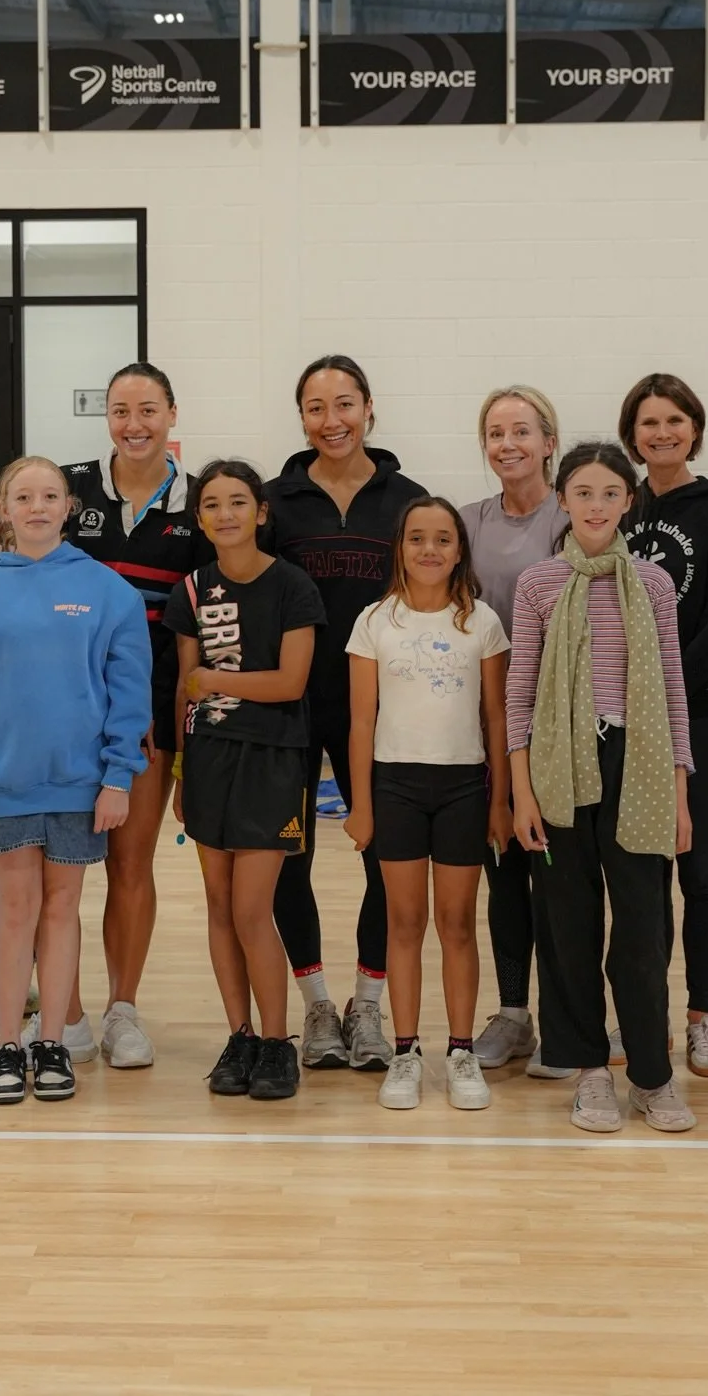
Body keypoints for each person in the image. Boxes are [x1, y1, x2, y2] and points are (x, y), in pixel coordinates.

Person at [0, 457, 153, 1106]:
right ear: (4, 509)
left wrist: (118, 778)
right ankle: (7, 1044)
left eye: (48, 495)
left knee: (62, 911)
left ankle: (54, 1041)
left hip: (78, 787)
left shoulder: (108, 590)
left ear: (67, 507)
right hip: (1, 785)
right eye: (22, 496)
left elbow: (128, 695)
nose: (35, 506)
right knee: (16, 912)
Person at [508, 442, 696, 1136]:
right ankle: (588, 1070)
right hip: (560, 766)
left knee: (642, 930)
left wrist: (679, 795)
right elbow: (519, 694)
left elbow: (672, 690)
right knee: (567, 926)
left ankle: (650, 1075)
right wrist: (523, 795)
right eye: (582, 492)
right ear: (562, 499)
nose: (595, 505)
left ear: (628, 501)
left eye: (609, 493)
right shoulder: (537, 585)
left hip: (637, 766)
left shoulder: (650, 584)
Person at [265, 356, 426, 1074]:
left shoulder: (408, 500)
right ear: (300, 417)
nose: (330, 420)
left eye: (344, 404)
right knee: (286, 862)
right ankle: (317, 1007)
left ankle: (368, 1004)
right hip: (291, 716)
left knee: (383, 861)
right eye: (314, 407)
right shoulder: (276, 503)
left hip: (381, 714)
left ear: (368, 408)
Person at [61, 363, 213, 1068]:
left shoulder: (200, 503)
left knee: (130, 863)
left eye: (147, 409)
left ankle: (122, 1008)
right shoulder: (68, 491)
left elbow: (207, 625)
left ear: (172, 414)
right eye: (120, 410)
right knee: (56, 870)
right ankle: (61, 1011)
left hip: (145, 717)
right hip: (59, 714)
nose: (133, 423)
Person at [163, 460, 325, 1101]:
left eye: (237, 502)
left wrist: (218, 679)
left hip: (274, 760)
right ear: (199, 519)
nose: (224, 514)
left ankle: (279, 1043)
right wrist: (179, 770)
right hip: (208, 761)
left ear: (260, 512)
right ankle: (241, 1036)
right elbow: (185, 688)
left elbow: (289, 683)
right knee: (219, 908)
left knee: (253, 909)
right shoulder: (191, 591)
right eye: (211, 505)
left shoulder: (292, 586)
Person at [344, 498, 511, 1112]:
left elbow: (496, 717)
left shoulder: (483, 623)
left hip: (465, 788)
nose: (430, 550)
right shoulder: (374, 622)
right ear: (400, 547)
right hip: (395, 787)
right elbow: (362, 722)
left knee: (458, 925)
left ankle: (461, 1051)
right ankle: (407, 1051)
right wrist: (359, 805)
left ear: (460, 549)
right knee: (405, 923)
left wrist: (499, 802)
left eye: (443, 539)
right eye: (417, 538)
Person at [619, 373, 708, 1079]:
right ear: (630, 435)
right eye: (647, 423)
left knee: (702, 872)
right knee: (640, 877)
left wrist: (662, 695)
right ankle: (646, 1015)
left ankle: (702, 1017)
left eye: (673, 421)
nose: (660, 433)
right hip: (627, 723)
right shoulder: (617, 505)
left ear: (693, 428)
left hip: (698, 713)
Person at [460, 385, 569, 1077]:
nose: (508, 444)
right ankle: (512, 1013)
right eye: (495, 433)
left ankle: (568, 1013)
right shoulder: (467, 521)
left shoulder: (578, 511)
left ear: (548, 441)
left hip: (561, 726)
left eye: (521, 431)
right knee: (503, 875)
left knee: (563, 878)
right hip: (488, 721)